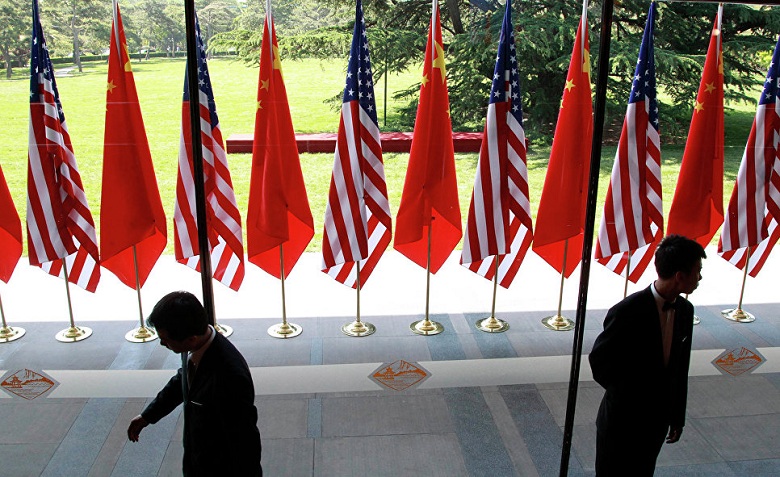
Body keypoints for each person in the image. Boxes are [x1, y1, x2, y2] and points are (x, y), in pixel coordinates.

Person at [589, 234, 706, 476]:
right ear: (679, 276)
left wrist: (677, 416)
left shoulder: (685, 311)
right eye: (698, 271)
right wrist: (629, 395)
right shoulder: (626, 312)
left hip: (656, 423)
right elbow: (599, 363)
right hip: (621, 422)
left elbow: (680, 369)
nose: (700, 278)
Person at [127, 291, 262, 476]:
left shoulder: (230, 377)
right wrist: (147, 416)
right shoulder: (194, 346)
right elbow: (183, 380)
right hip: (197, 460)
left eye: (165, 340)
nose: (162, 344)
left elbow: (244, 441)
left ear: (191, 338)